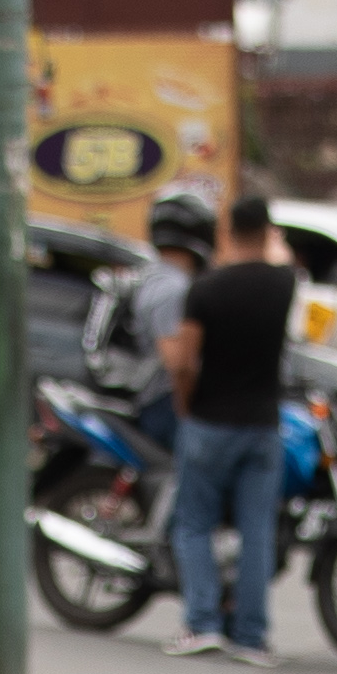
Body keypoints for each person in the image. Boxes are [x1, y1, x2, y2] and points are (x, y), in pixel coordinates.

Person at [155, 188, 299, 663]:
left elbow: (183, 362)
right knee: (257, 531)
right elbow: (284, 259)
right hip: (263, 425)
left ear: (228, 233)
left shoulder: (208, 289)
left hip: (210, 421)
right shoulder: (284, 284)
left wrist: (185, 404)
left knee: (194, 524)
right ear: (266, 231)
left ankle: (202, 624)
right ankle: (251, 635)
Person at [85, 185, 212, 473]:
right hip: (163, 404)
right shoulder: (173, 288)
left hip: (150, 399)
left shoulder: (153, 276)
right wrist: (190, 410)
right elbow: (177, 364)